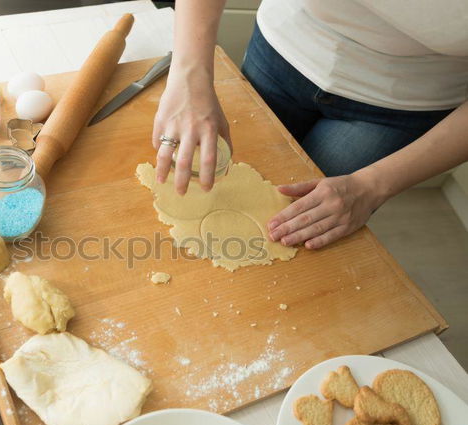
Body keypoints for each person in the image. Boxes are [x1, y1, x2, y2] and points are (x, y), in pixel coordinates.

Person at [153, 0, 468, 250]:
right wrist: (189, 75)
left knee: (285, 237)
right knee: (216, 192)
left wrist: (372, 187)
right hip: (283, 48)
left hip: (400, 106)